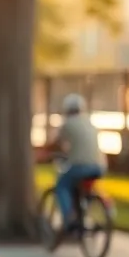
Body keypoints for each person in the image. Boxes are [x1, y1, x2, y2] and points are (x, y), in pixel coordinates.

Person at [47, 93, 106, 234]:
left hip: (79, 166)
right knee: (84, 189)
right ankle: (87, 209)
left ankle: (70, 218)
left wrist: (45, 153)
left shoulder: (67, 124)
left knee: (62, 185)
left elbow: (56, 144)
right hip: (99, 166)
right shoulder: (90, 123)